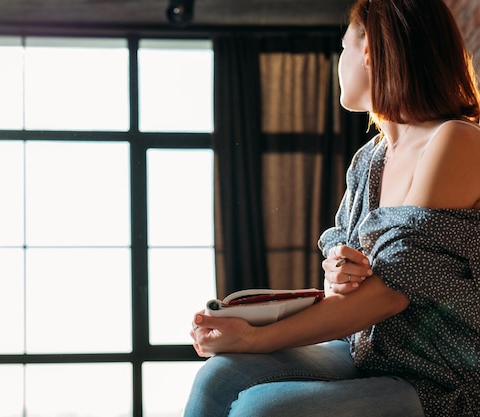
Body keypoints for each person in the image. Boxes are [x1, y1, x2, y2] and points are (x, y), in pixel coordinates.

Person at [184, 0, 480, 416]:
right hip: (368, 351)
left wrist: (253, 338)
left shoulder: (455, 140)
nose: (340, 62)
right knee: (219, 373)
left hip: (440, 377)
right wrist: (339, 274)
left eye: (344, 47)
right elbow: (352, 285)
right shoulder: (369, 160)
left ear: (370, 51)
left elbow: (391, 295)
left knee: (263, 409)